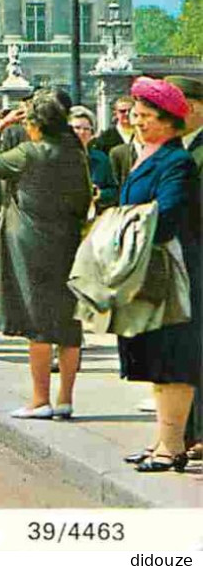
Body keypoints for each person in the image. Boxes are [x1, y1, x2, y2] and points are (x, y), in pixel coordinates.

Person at [0, 94, 91, 418]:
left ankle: (40, 399)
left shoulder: (28, 153)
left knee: (37, 321)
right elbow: (82, 201)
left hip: (30, 242)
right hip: (67, 241)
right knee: (68, 321)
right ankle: (66, 398)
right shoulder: (75, 153)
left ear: (36, 125)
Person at [114, 78, 200, 473]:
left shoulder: (176, 162)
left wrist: (120, 226)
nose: (138, 122)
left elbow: (165, 216)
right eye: (136, 115)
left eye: (147, 117)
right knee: (157, 359)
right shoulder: (151, 155)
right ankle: (163, 440)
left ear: (170, 122)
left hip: (171, 270)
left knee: (173, 360)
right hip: (148, 267)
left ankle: (171, 446)